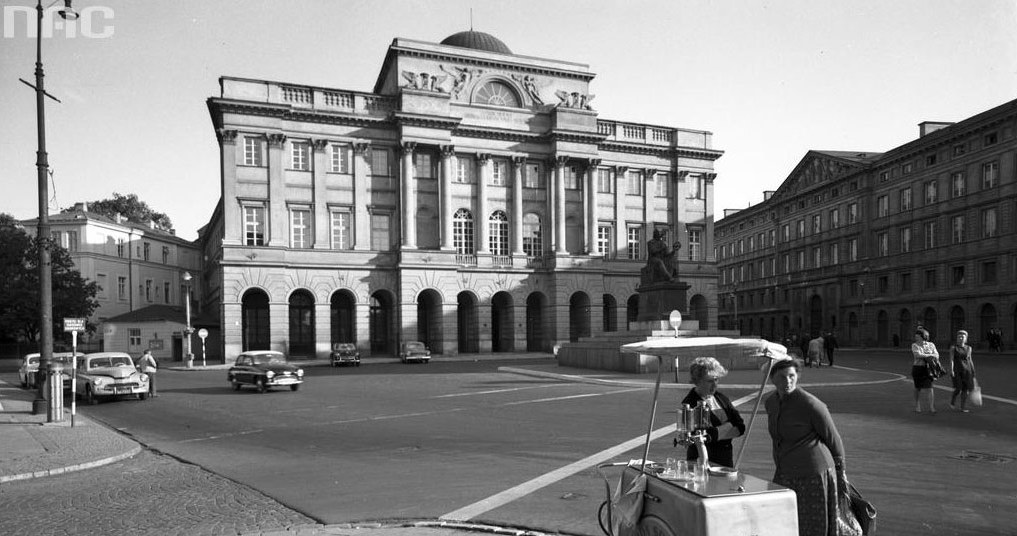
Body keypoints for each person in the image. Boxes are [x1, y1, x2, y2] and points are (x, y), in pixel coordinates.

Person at [765, 358, 848, 536]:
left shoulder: (811, 404)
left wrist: (840, 473)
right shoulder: (770, 403)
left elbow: (833, 439)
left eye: (791, 376)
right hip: (785, 469)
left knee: (813, 523)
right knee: (786, 517)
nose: (787, 381)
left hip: (813, 472)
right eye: (782, 377)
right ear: (772, 378)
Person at [680, 357, 746, 468]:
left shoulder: (721, 397)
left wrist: (716, 433)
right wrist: (729, 427)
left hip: (724, 460)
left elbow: (740, 427)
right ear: (698, 380)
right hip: (701, 461)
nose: (714, 384)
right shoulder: (690, 403)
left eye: (716, 379)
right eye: (710, 381)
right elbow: (700, 435)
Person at [911, 328, 942, 414]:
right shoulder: (914, 345)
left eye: (918, 337)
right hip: (918, 368)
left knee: (930, 388)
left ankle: (932, 407)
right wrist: (930, 355)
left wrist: (926, 355)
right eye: (916, 337)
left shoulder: (931, 345)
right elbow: (917, 355)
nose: (916, 338)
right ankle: (917, 405)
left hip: (929, 369)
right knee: (917, 388)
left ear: (923, 336)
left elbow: (937, 355)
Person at [948, 330, 976, 412]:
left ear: (966, 338)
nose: (960, 338)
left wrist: (973, 371)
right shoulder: (953, 348)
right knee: (958, 388)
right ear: (957, 338)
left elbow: (970, 360)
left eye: (962, 337)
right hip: (957, 371)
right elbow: (951, 360)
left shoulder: (969, 348)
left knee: (965, 390)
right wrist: (951, 370)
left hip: (967, 371)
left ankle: (962, 407)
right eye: (959, 337)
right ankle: (953, 399)